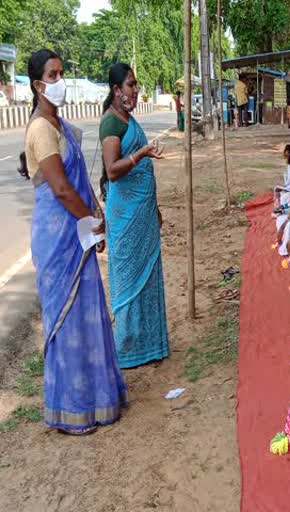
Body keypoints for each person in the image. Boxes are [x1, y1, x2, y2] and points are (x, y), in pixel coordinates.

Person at [20, 49, 127, 434]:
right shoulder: (39, 129)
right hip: (59, 241)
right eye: (53, 75)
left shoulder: (61, 126)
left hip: (78, 232)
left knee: (88, 314)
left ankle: (99, 400)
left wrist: (96, 214)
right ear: (37, 85)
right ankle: (72, 408)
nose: (60, 81)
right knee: (66, 323)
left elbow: (81, 179)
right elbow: (63, 189)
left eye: (62, 73)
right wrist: (89, 221)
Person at [99, 63, 169, 369]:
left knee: (149, 275)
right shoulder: (111, 124)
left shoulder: (129, 119)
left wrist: (154, 208)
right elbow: (113, 171)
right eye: (130, 85)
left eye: (136, 85)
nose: (135, 90)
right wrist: (141, 154)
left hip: (142, 213)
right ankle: (127, 347)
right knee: (127, 281)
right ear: (116, 90)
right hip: (125, 215)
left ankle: (150, 344)